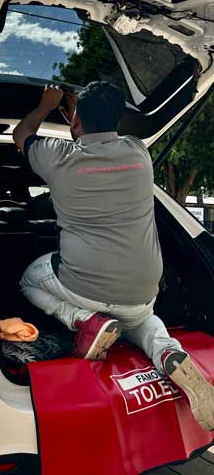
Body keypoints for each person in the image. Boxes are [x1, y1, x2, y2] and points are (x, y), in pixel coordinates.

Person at [13, 81, 214, 431]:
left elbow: (22, 134)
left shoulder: (58, 157)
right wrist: (77, 114)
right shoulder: (138, 153)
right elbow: (105, 136)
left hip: (82, 285)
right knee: (142, 320)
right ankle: (167, 352)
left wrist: (48, 104)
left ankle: (83, 320)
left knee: (28, 278)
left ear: (75, 122)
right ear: (118, 120)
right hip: (142, 289)